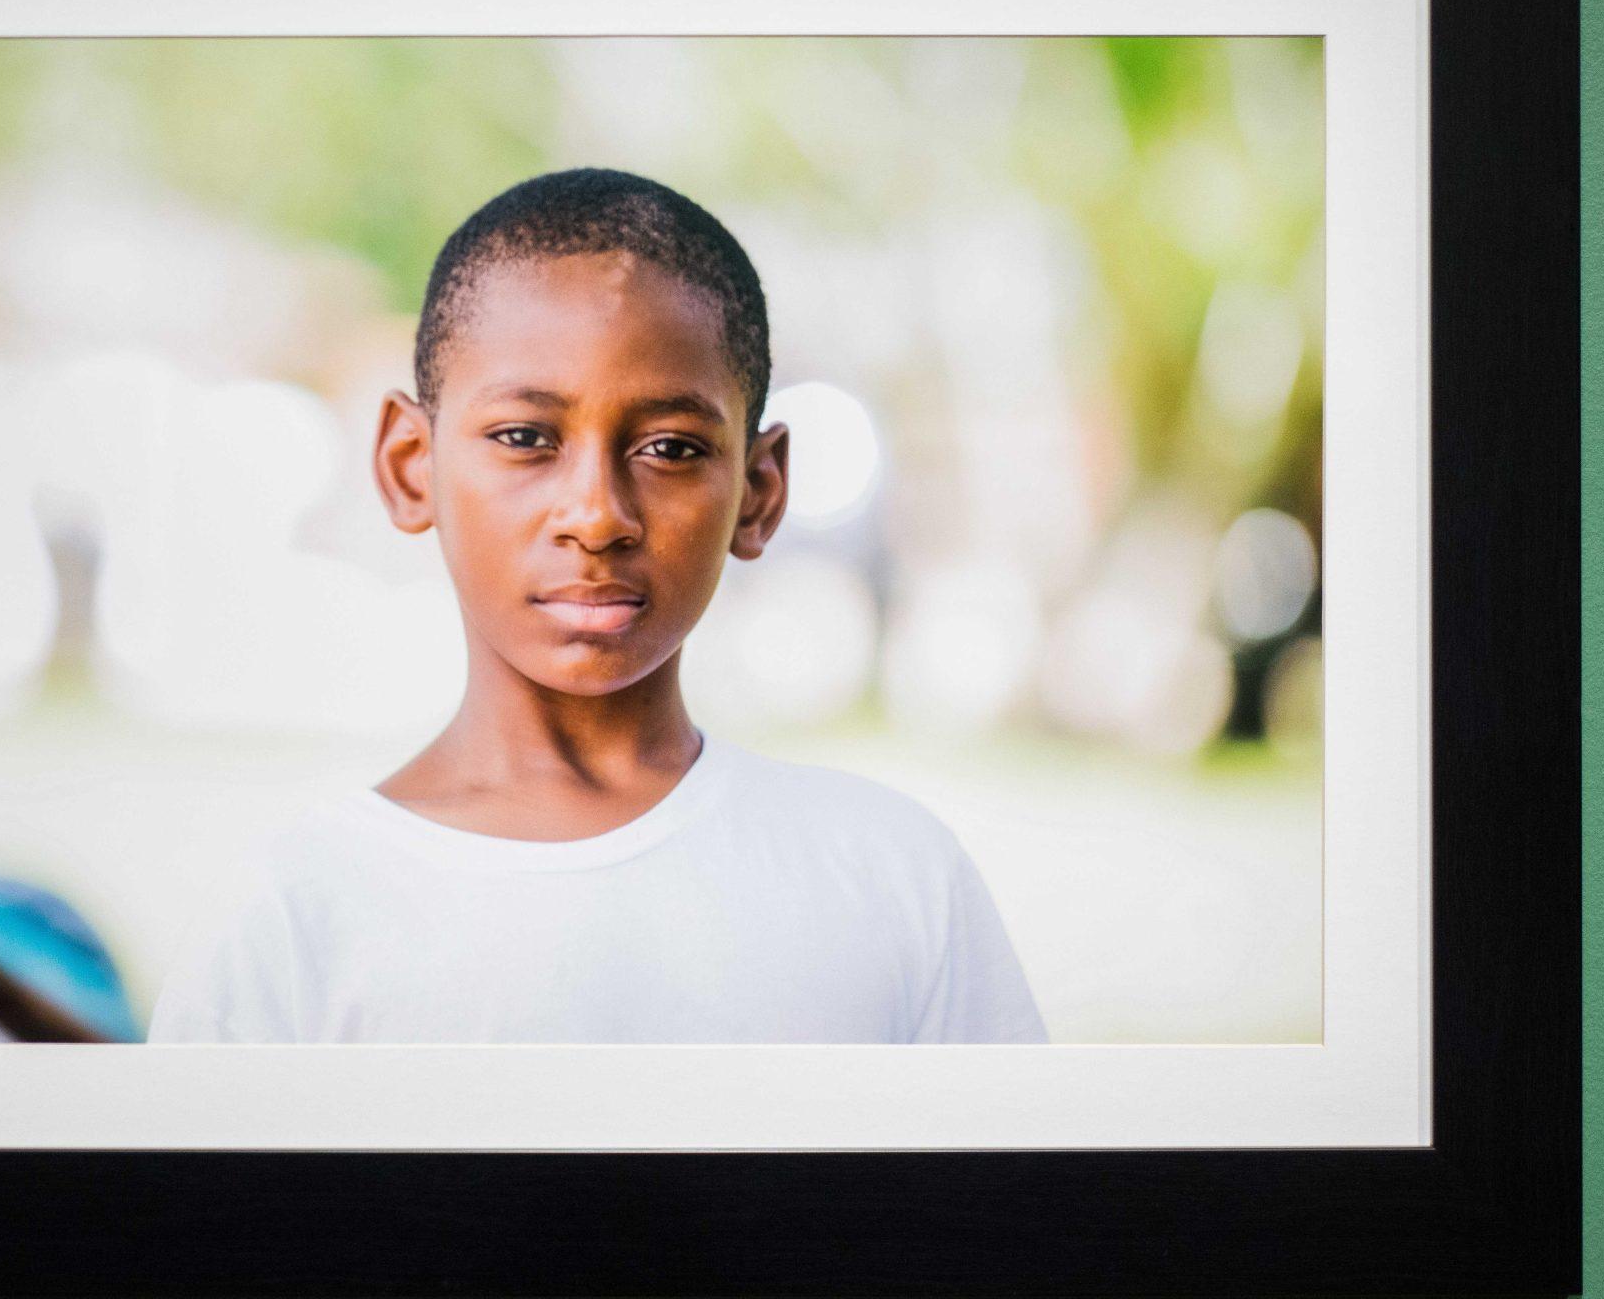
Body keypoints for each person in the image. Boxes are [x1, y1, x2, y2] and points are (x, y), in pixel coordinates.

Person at [148, 168, 1045, 1044]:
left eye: (669, 447)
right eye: (526, 438)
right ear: (409, 466)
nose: (597, 515)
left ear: (761, 490)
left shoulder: (893, 881)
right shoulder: (292, 920)